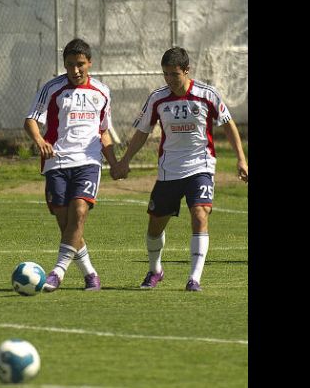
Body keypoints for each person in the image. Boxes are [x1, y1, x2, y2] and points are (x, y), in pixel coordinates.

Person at [110, 47, 248, 291]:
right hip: (169, 170)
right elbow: (142, 131)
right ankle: (155, 270)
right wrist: (125, 160)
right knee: (155, 224)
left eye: (174, 74)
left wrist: (241, 159)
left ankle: (194, 279)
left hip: (201, 165)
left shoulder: (207, 94)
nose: (170, 80)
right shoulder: (157, 98)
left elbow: (228, 125)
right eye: (165, 74)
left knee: (200, 214)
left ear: (187, 71)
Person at [23, 38, 118, 292]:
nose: (75, 71)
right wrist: (39, 140)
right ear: (63, 65)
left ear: (90, 63)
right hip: (56, 161)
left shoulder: (102, 92)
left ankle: (57, 272)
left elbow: (104, 131)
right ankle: (90, 274)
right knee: (67, 224)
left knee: (79, 213)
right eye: (69, 65)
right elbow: (31, 120)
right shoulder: (52, 89)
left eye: (80, 65)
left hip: (88, 161)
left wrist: (115, 163)